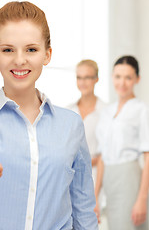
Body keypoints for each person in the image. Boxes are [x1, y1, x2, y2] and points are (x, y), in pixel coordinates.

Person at [0, 1, 98, 230]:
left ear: (47, 54)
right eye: (8, 49)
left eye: (31, 49)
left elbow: (83, 205)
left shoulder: (71, 124)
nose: (19, 60)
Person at [95, 56, 149, 230]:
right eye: (118, 76)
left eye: (128, 77)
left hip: (130, 178)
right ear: (112, 77)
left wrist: (141, 199)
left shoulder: (141, 110)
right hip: (110, 180)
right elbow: (102, 156)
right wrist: (95, 196)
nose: (122, 83)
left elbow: (148, 157)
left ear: (137, 79)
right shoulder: (106, 112)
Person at [67, 60, 107, 222]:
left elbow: (105, 156)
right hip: (71, 178)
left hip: (97, 178)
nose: (83, 82)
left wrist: (95, 197)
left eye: (88, 77)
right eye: (79, 77)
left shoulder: (106, 111)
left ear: (96, 79)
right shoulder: (69, 111)